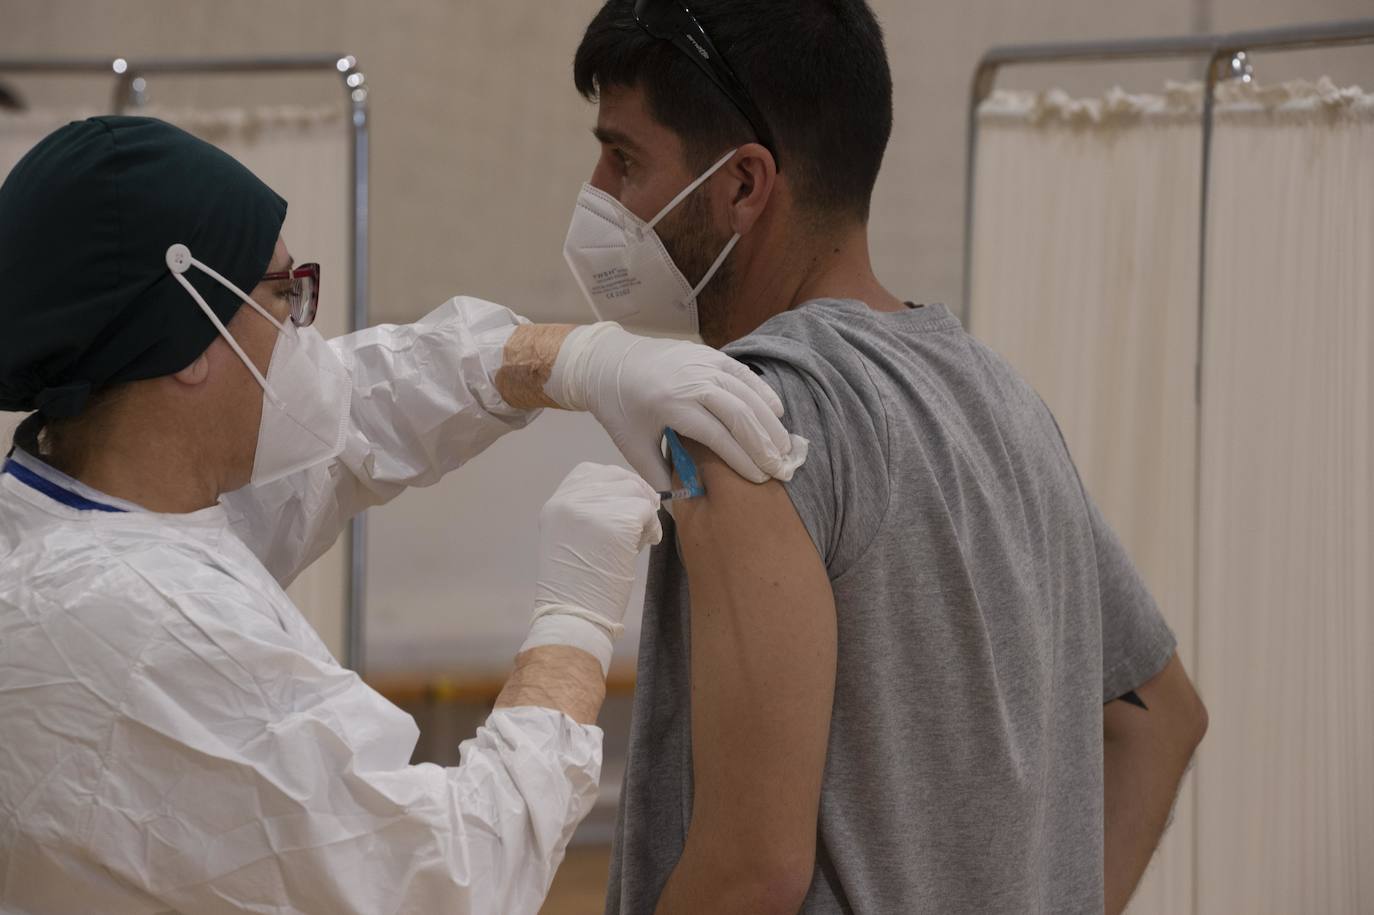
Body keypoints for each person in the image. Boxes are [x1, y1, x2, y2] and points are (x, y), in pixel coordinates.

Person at [0, 116, 800, 913]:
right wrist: (575, 620)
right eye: (287, 293)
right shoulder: (147, 629)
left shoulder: (98, 495)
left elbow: (360, 411)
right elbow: (452, 876)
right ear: (187, 339)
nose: (307, 328)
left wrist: (578, 358)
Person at [568, 2, 1210, 913]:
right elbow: (1164, 721)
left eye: (624, 159)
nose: (600, 195)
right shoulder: (1004, 400)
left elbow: (751, 873)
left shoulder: (752, 415)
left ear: (744, 183)